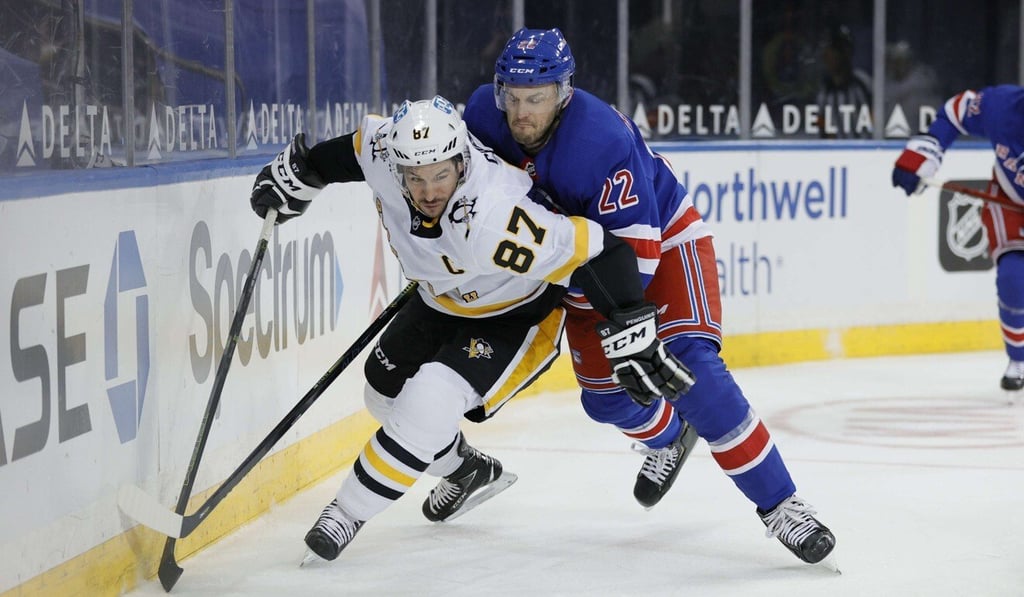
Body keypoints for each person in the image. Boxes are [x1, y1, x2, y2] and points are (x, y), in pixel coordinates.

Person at [248, 95, 695, 562]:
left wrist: (633, 327)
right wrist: (299, 177)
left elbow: (603, 252)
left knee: (430, 399)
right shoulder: (386, 153)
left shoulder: (496, 220)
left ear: (462, 161)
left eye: (442, 174)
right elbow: (352, 152)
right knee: (382, 395)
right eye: (415, 178)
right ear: (396, 167)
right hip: (441, 298)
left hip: (515, 316)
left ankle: (345, 514)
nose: (428, 192)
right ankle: (468, 472)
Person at [463, 28, 836, 565]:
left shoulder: (599, 141)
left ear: (563, 94)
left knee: (693, 371)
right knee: (605, 399)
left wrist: (629, 330)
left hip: (658, 248)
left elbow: (636, 260)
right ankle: (669, 437)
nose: (520, 113)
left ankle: (782, 506)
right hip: (576, 264)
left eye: (536, 99)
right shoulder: (481, 115)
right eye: (512, 98)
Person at [892, 85, 1024, 391]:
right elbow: (957, 110)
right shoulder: (1003, 107)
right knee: (1014, 279)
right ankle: (1018, 360)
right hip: (1012, 203)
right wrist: (924, 152)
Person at [815, 23, 872, 138]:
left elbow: (878, 119)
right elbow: (821, 127)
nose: (826, 56)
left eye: (832, 50)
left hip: (867, 153)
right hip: (837, 154)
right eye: (826, 51)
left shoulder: (863, 82)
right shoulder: (823, 91)